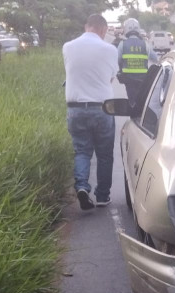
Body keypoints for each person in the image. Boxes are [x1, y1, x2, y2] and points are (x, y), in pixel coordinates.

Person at [62, 13, 118, 210]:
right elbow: (110, 79)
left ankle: (82, 187)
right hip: (102, 109)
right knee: (104, 154)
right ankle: (102, 196)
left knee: (82, 151)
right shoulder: (110, 49)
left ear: (87, 27)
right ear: (103, 30)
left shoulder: (67, 47)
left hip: (75, 109)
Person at [117, 18, 149, 105]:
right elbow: (149, 57)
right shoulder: (145, 43)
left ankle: (133, 115)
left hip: (129, 78)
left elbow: (119, 60)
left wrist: (121, 70)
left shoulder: (122, 44)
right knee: (142, 100)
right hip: (143, 78)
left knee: (132, 100)